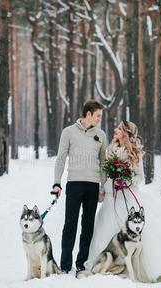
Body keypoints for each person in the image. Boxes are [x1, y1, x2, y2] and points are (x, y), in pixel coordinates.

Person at [85, 120, 161, 281]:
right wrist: (102, 189)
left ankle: (137, 267)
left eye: (119, 129)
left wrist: (126, 181)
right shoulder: (110, 149)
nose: (115, 130)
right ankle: (108, 264)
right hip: (111, 198)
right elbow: (105, 174)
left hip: (127, 197)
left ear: (126, 133)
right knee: (104, 231)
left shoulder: (134, 152)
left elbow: (140, 176)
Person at [51, 100, 107, 276]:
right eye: (98, 115)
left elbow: (103, 163)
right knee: (70, 225)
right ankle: (65, 264)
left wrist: (103, 186)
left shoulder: (101, 135)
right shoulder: (68, 132)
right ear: (88, 114)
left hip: (92, 186)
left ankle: (82, 263)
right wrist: (57, 182)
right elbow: (60, 158)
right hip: (74, 184)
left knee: (88, 226)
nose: (99, 119)